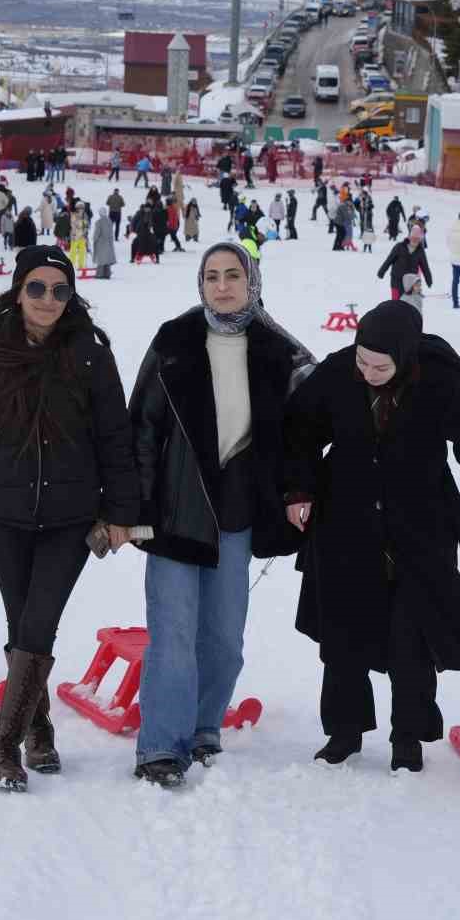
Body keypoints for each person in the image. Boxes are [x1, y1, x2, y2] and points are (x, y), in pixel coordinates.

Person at [282, 301, 460, 772]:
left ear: (406, 356)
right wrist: (299, 489)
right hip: (345, 522)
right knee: (344, 632)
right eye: (362, 361)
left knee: (411, 636)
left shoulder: (440, 377)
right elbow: (300, 435)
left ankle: (408, 736)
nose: (368, 372)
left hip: (420, 524)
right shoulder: (336, 373)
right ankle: (344, 732)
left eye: (380, 365)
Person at [0, 246, 140, 793]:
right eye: (37, 288)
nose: (48, 300)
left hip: (69, 517)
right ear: (18, 289)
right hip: (1, 512)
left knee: (39, 621)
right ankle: (39, 726)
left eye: (59, 290)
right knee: (19, 622)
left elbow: (115, 439)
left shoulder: (90, 354)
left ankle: (3, 744)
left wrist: (122, 511)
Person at [125, 243, 316, 786]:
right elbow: (141, 429)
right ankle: (162, 744)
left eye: (233, 275)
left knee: (224, 638)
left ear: (251, 281)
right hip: (173, 516)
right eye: (212, 276)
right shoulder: (175, 342)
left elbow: (307, 427)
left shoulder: (276, 351)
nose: (223, 285)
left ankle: (204, 727)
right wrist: (133, 511)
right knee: (173, 636)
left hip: (236, 515)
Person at [377, 222, 432, 301]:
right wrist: (381, 271)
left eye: (417, 239)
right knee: (395, 304)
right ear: (409, 237)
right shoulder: (399, 246)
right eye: (413, 238)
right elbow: (389, 260)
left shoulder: (420, 251)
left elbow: (425, 266)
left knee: (407, 304)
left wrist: (428, 279)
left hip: (410, 282)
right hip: (396, 280)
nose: (415, 240)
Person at [90, 203, 117, 280]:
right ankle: (107, 274)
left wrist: (94, 239)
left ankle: (99, 274)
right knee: (107, 260)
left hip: (101, 243)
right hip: (109, 243)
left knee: (101, 260)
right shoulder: (110, 221)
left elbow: (97, 233)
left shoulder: (99, 222)